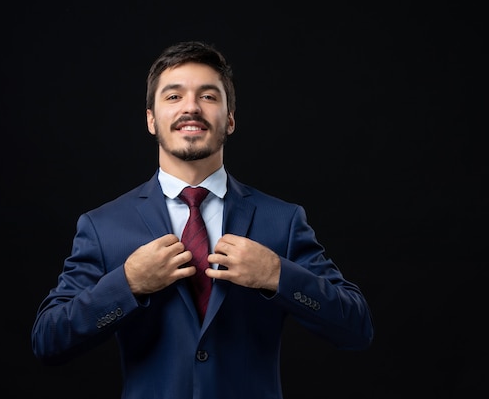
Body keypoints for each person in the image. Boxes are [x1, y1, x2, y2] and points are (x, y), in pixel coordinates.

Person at [31, 40, 374, 398]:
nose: (191, 107)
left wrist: (277, 276)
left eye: (208, 96)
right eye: (174, 96)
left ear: (229, 119)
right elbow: (48, 342)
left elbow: (356, 328)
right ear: (151, 119)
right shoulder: (103, 226)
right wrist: (128, 283)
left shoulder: (283, 220)